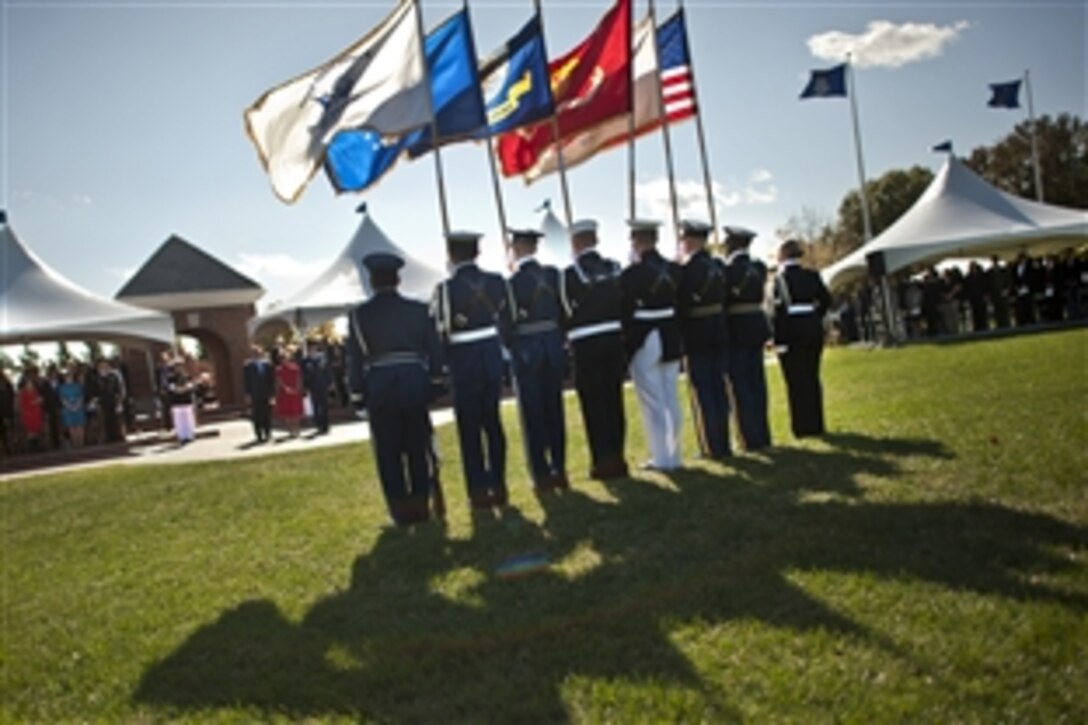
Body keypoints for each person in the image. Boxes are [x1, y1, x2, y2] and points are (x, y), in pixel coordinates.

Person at [350, 252, 445, 526]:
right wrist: (436, 382)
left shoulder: (359, 316)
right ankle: (421, 506)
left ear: (371, 281)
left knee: (389, 453)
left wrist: (357, 396)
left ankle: (399, 511)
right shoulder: (418, 309)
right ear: (399, 279)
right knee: (417, 448)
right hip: (414, 382)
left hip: (379, 386)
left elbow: (355, 360)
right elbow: (434, 350)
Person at [432, 231, 510, 510]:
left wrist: (439, 370)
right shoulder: (496, 281)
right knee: (493, 422)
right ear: (477, 253)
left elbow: (440, 332)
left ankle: (478, 491)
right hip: (490, 354)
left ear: (451, 256)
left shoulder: (444, 290)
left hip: (462, 359)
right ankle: (499, 485)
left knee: (470, 428)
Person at [502, 228, 569, 493]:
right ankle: (559, 468)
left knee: (532, 415)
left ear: (516, 248)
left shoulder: (511, 283)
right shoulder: (554, 275)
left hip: (526, 349)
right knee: (554, 410)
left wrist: (514, 346)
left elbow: (505, 325)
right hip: (552, 345)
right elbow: (564, 312)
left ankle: (541, 474)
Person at [560, 219, 628, 480]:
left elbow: (565, 312)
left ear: (575, 243)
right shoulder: (613, 267)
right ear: (595, 240)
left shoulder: (569, 274)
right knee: (613, 400)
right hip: (613, 339)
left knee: (593, 403)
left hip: (585, 342)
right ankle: (618, 458)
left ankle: (602, 462)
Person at [621, 219, 683, 471]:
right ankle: (675, 455)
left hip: (645, 336)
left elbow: (625, 310)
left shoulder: (632, 274)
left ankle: (661, 458)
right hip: (670, 334)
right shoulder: (675, 269)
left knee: (652, 400)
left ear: (637, 241)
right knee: (670, 397)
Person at [676, 220, 731, 460]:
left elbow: (683, 304)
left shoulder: (689, 270)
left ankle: (713, 445)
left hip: (697, 331)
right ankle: (724, 442)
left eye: (684, 239)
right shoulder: (718, 265)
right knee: (719, 387)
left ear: (692, 240)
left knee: (704, 390)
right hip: (718, 328)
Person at [770, 239, 833, 438]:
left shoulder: (779, 279)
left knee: (796, 381)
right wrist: (815, 317)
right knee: (813, 377)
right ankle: (817, 423)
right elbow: (826, 300)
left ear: (782, 255)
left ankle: (802, 427)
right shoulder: (812, 275)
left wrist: (777, 337)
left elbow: (776, 311)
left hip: (791, 332)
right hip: (812, 328)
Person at [722, 225, 772, 451]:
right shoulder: (758, 267)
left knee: (740, 384)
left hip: (737, 327)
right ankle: (762, 433)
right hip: (757, 324)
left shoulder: (729, 269)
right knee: (757, 383)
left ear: (731, 244)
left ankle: (749, 437)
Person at [242, 344, 275, 443]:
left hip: (266, 393)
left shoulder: (267, 364)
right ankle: (259, 434)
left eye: (258, 352)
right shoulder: (248, 366)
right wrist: (247, 394)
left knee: (267, 414)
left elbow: (271, 380)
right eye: (254, 352)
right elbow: (246, 381)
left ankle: (268, 433)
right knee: (257, 415)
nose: (256, 354)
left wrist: (272, 394)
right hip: (254, 394)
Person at [303, 340, 333, 435]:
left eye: (313, 348)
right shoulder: (305, 361)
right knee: (316, 406)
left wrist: (330, 382)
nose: (312, 350)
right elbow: (304, 375)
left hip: (323, 385)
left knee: (324, 406)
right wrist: (305, 387)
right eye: (310, 348)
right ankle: (318, 425)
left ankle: (326, 425)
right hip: (313, 386)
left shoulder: (322, 358)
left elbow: (328, 371)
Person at [275, 346, 304, 438]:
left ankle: (297, 429)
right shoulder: (278, 369)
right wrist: (286, 388)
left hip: (295, 392)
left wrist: (297, 388)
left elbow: (299, 378)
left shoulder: (295, 367)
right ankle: (290, 430)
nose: (284, 360)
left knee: (296, 412)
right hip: (285, 393)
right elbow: (279, 380)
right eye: (282, 358)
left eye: (285, 357)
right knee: (287, 413)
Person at [165, 359, 197, 443]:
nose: (179, 368)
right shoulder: (170, 377)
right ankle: (182, 436)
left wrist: (185, 388)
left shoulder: (187, 376)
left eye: (180, 365)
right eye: (177, 366)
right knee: (179, 420)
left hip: (186, 399)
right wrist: (179, 389)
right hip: (176, 401)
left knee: (188, 418)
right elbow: (171, 387)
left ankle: (189, 435)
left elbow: (191, 385)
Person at [57, 368, 87, 448]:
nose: (69, 377)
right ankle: (75, 443)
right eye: (67, 376)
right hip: (68, 409)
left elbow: (81, 397)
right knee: (71, 427)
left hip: (78, 407)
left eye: (70, 376)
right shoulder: (62, 387)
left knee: (80, 426)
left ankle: (81, 443)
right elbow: (62, 399)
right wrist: (69, 406)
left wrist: (77, 405)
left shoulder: (77, 386)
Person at [18, 375, 45, 451]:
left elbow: (40, 400)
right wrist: (35, 402)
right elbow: (24, 404)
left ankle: (37, 446)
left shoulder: (36, 392)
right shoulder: (23, 394)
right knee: (30, 431)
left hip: (36, 413)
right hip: (29, 414)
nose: (30, 386)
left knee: (37, 430)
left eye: (31, 384)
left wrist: (40, 401)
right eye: (28, 384)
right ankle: (31, 448)